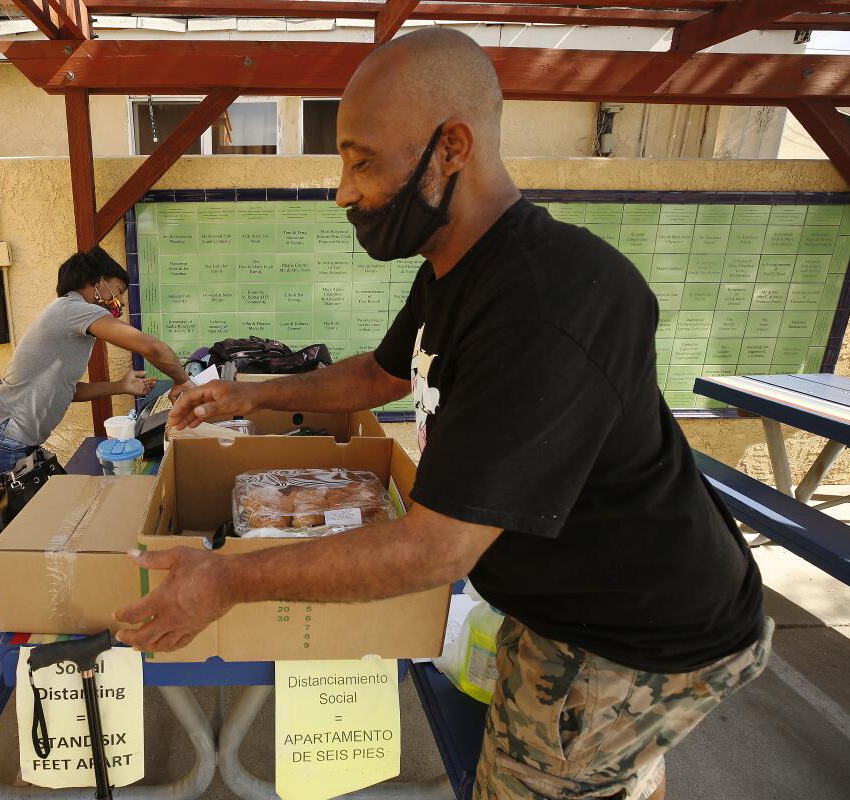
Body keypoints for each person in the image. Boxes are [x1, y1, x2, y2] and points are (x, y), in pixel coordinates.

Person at [113, 28, 770, 800]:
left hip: (637, 638)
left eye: (362, 161)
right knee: (615, 772)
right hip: (568, 603)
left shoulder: (544, 304)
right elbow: (380, 374)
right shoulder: (459, 268)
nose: (344, 192)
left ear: (452, 146)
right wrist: (252, 393)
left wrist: (226, 581)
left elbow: (433, 551)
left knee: (563, 774)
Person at [0, 247, 191, 501]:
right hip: (0, 436)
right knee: (3, 533)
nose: (121, 302)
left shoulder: (71, 317)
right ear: (96, 282)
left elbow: (67, 390)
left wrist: (120, 386)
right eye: (119, 291)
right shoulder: (74, 309)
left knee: (18, 527)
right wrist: (184, 382)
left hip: (8, 435)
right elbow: (152, 347)